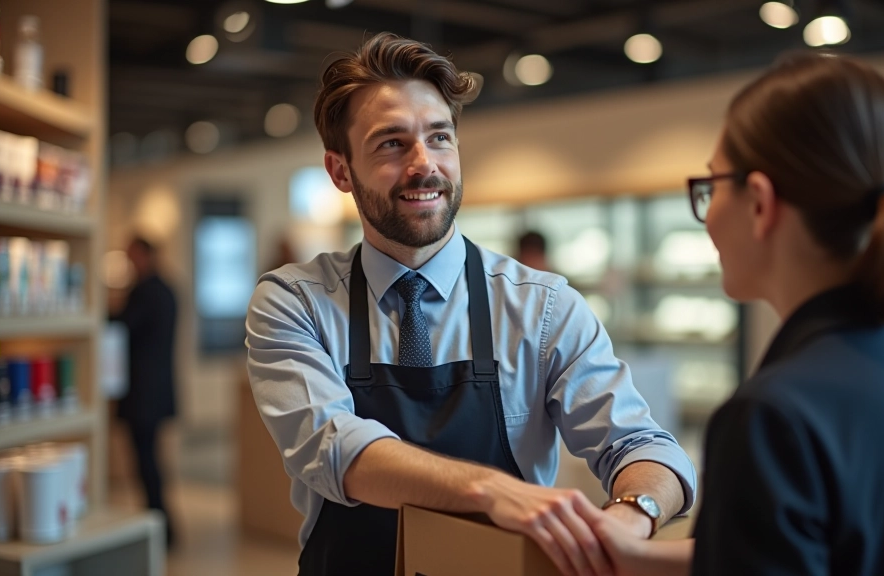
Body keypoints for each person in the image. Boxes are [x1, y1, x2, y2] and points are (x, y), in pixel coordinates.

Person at [244, 32, 696, 576]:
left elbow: (642, 444)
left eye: (439, 137)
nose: (424, 164)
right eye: (391, 143)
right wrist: (489, 491)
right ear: (341, 170)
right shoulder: (295, 302)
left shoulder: (544, 307)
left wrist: (629, 516)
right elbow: (336, 449)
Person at [573, 53, 884, 575]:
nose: (708, 215)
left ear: (759, 202)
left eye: (710, 187)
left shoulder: (773, 418)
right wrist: (637, 556)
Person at [110, 237, 178, 547]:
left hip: (142, 393)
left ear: (145, 255)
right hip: (157, 390)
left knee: (146, 463)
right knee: (150, 461)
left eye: (132, 256)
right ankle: (162, 527)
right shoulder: (168, 290)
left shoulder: (145, 292)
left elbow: (124, 326)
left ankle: (159, 528)